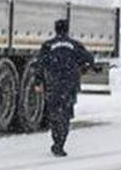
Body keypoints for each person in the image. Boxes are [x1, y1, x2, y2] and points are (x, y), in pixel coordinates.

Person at [33, 18, 96, 157]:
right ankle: (60, 143)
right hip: (70, 85)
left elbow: (39, 65)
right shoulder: (75, 45)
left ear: (55, 29)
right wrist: (84, 68)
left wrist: (38, 82)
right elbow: (90, 59)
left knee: (54, 114)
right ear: (67, 29)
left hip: (53, 85)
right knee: (66, 115)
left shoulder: (48, 45)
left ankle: (56, 139)